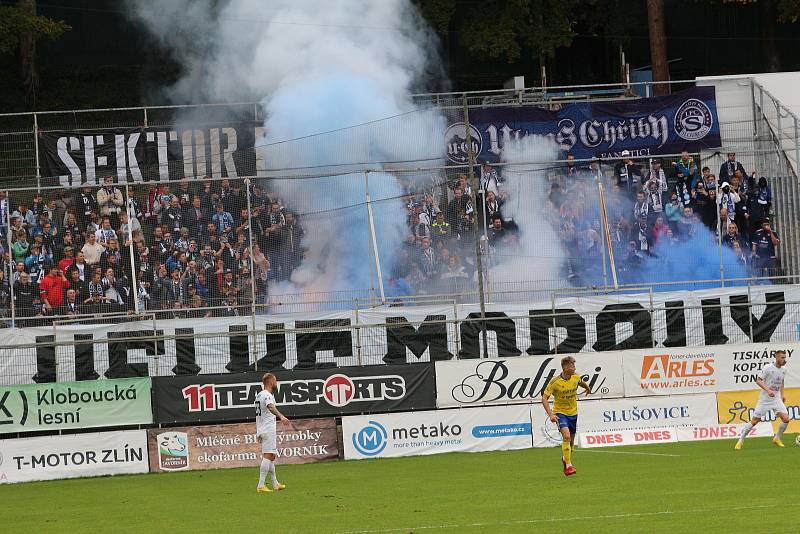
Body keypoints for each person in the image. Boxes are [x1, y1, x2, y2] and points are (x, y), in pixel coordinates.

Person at [541, 356, 591, 476]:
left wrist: (588, 387)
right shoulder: (555, 382)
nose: (574, 368)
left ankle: (565, 459)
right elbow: (544, 398)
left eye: (574, 365)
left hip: (573, 413)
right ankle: (568, 465)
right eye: (571, 366)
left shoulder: (575, 377)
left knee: (571, 443)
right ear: (565, 367)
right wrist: (551, 414)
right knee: (567, 437)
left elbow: (580, 382)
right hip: (560, 413)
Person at [735, 350, 791, 449]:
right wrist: (768, 390)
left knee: (786, 419)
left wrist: (782, 394)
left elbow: (781, 381)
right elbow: (758, 380)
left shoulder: (784, 369)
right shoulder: (768, 368)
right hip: (765, 399)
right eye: (782, 357)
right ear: (776, 357)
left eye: (784, 357)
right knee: (755, 421)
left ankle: (777, 438)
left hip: (776, 398)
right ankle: (741, 439)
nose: (784, 359)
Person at [255, 372, 290, 493]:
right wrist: (281, 416)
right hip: (267, 428)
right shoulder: (267, 395)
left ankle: (275, 483)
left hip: (262, 427)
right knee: (268, 455)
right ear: (271, 382)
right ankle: (261, 485)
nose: (276, 383)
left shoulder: (259, 394)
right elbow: (270, 407)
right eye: (275, 381)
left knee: (272, 456)